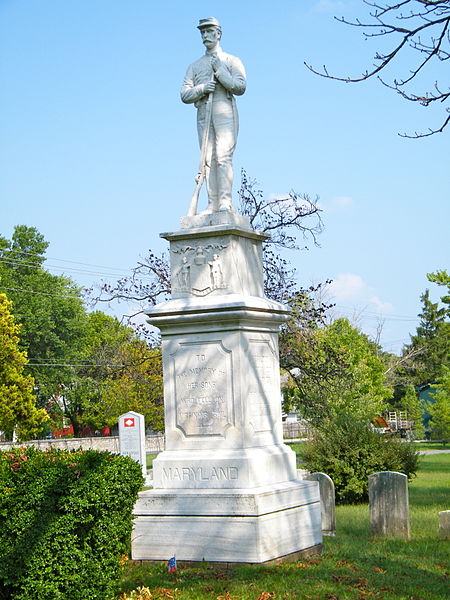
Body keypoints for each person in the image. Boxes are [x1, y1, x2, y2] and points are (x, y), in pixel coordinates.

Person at [181, 17, 246, 213]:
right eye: (202, 32)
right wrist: (201, 89)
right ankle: (212, 203)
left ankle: (225, 201)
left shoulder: (231, 60)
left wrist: (220, 72)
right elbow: (184, 94)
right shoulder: (195, 65)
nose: (205, 36)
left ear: (218, 33)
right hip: (203, 111)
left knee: (223, 156)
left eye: (209, 32)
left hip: (224, 108)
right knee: (207, 158)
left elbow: (240, 86)